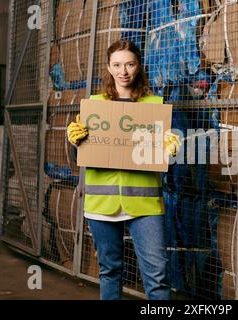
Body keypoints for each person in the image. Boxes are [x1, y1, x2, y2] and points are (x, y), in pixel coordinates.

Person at [67, 40, 181, 300]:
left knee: (158, 276)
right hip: (101, 204)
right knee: (110, 271)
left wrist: (170, 145)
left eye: (129, 64)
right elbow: (83, 156)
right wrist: (74, 140)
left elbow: (161, 158)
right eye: (117, 65)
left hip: (144, 205)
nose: (124, 71)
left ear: (139, 66)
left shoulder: (154, 106)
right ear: (109, 68)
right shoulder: (95, 105)